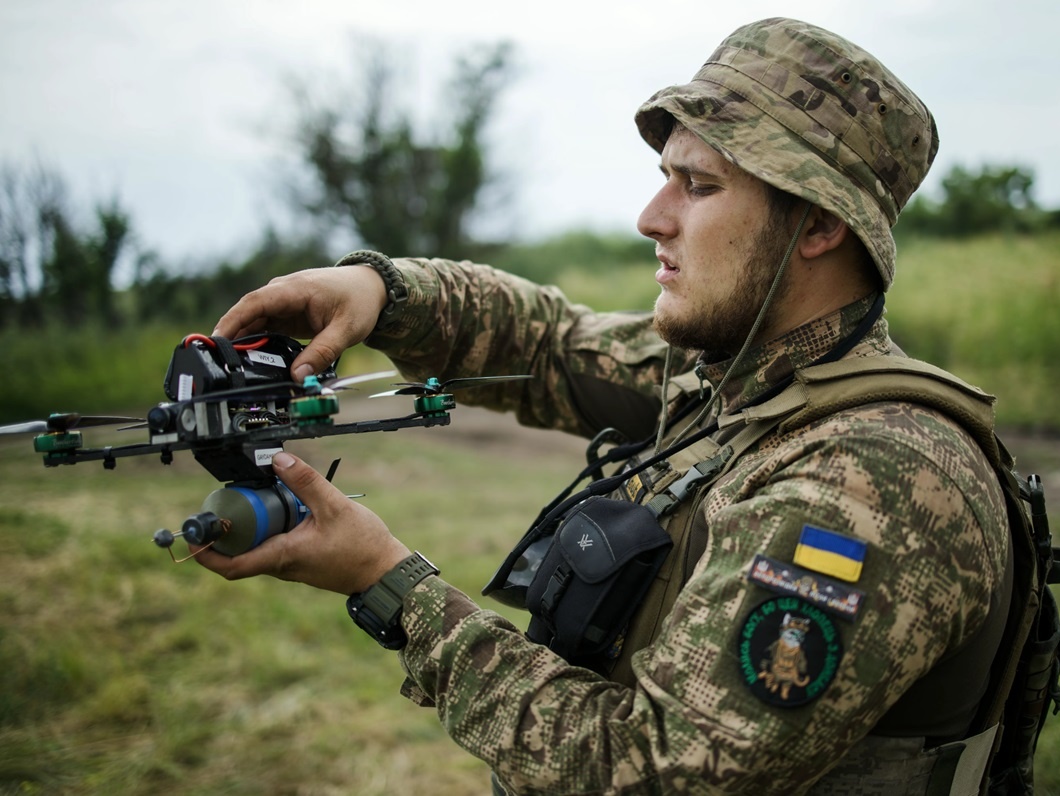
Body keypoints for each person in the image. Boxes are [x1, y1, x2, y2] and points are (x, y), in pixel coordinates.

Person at [197, 17, 1013, 795]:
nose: (651, 219)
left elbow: (649, 772)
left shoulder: (877, 479)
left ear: (819, 226)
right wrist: (383, 290)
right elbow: (548, 341)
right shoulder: (743, 378)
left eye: (699, 187)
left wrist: (391, 587)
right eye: (666, 179)